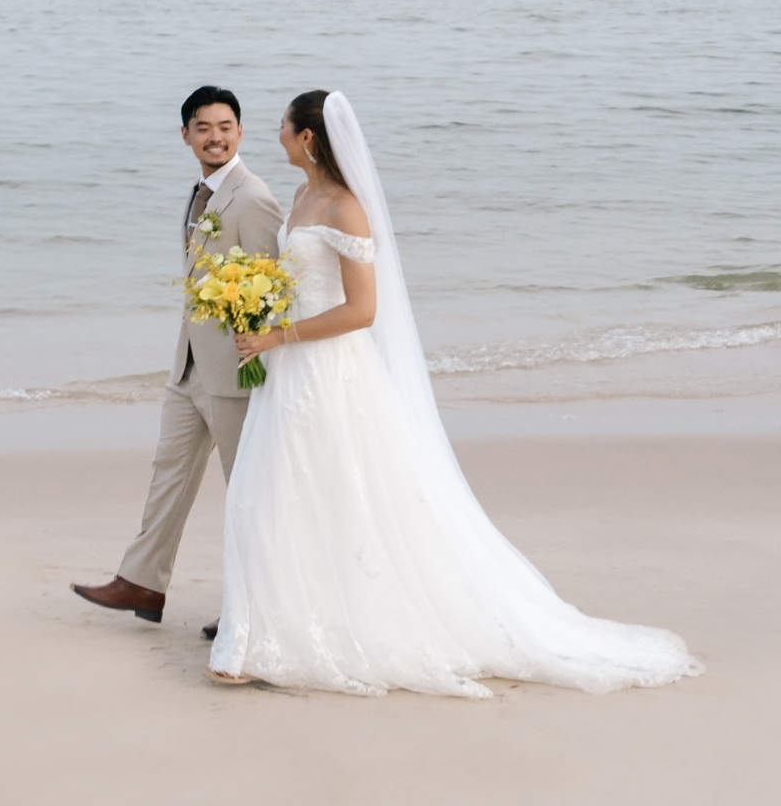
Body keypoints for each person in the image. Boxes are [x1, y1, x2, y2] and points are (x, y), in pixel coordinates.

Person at [206, 90, 704, 696]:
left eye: (283, 126)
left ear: (307, 138)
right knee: (270, 496)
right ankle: (262, 632)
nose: (277, 134)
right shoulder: (303, 195)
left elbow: (363, 310)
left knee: (319, 492)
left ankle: (287, 638)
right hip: (287, 371)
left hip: (327, 370)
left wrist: (280, 334)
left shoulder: (345, 208)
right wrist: (257, 311)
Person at [72, 86, 283, 636]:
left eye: (226, 126)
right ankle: (143, 580)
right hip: (189, 366)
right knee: (168, 474)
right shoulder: (202, 192)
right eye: (204, 127)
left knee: (246, 494)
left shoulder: (253, 196)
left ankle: (253, 608)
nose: (216, 136)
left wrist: (259, 353)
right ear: (186, 134)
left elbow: (276, 288)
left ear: (241, 132)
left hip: (236, 373)